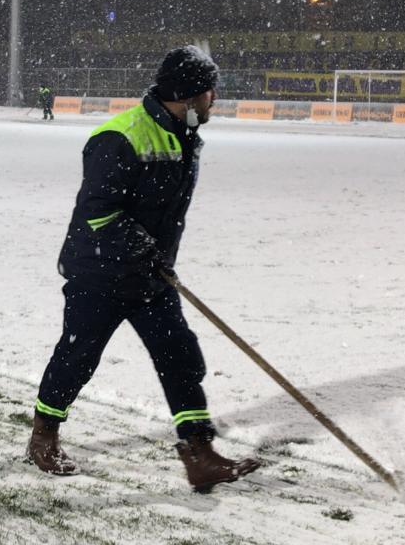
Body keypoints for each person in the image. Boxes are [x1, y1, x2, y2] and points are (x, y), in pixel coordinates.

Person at [27, 45, 262, 492]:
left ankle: (200, 454)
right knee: (77, 357)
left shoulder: (183, 134)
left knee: (180, 355)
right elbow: (98, 211)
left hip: (151, 275)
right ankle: (44, 436)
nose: (214, 99)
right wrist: (142, 247)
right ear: (188, 95)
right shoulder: (120, 137)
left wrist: (154, 259)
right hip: (98, 272)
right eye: (209, 91)